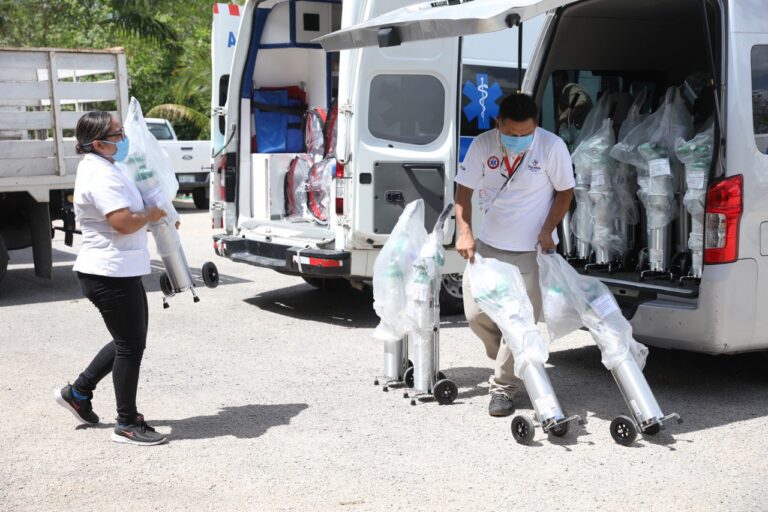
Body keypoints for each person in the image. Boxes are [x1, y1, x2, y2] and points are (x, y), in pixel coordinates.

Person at [454, 93, 575, 417]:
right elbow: (463, 190)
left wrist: (548, 228)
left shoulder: (551, 147)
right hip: (489, 248)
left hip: (530, 251)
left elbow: (565, 192)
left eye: (526, 134)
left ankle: (503, 388)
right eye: (512, 134)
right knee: (476, 314)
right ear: (498, 125)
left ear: (536, 126)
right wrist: (464, 231)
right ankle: (518, 360)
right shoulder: (483, 145)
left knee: (520, 323)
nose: (519, 140)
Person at [54, 111, 169, 445]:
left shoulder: (108, 167)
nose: (123, 139)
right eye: (118, 135)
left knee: (128, 341)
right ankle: (127, 423)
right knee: (130, 345)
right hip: (108, 272)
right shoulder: (98, 174)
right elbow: (121, 221)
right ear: (98, 143)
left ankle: (78, 393)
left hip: (119, 269)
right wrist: (151, 214)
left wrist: (158, 213)